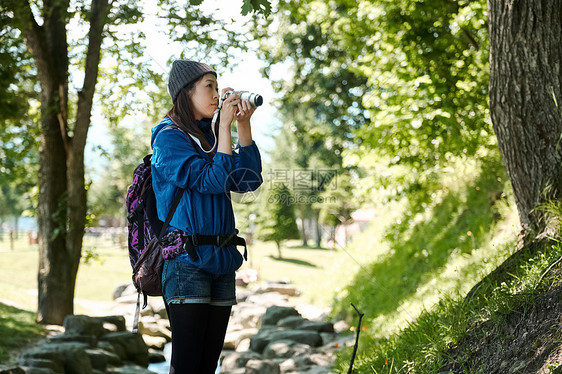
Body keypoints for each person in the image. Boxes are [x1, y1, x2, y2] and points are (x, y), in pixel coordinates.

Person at [150, 60, 263, 373]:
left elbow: (248, 180)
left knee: (207, 366)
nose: (216, 94)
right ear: (186, 93)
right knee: (187, 366)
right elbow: (212, 181)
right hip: (187, 263)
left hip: (222, 260)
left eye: (217, 86)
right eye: (209, 86)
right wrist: (223, 128)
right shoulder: (168, 138)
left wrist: (242, 125)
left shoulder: (211, 137)